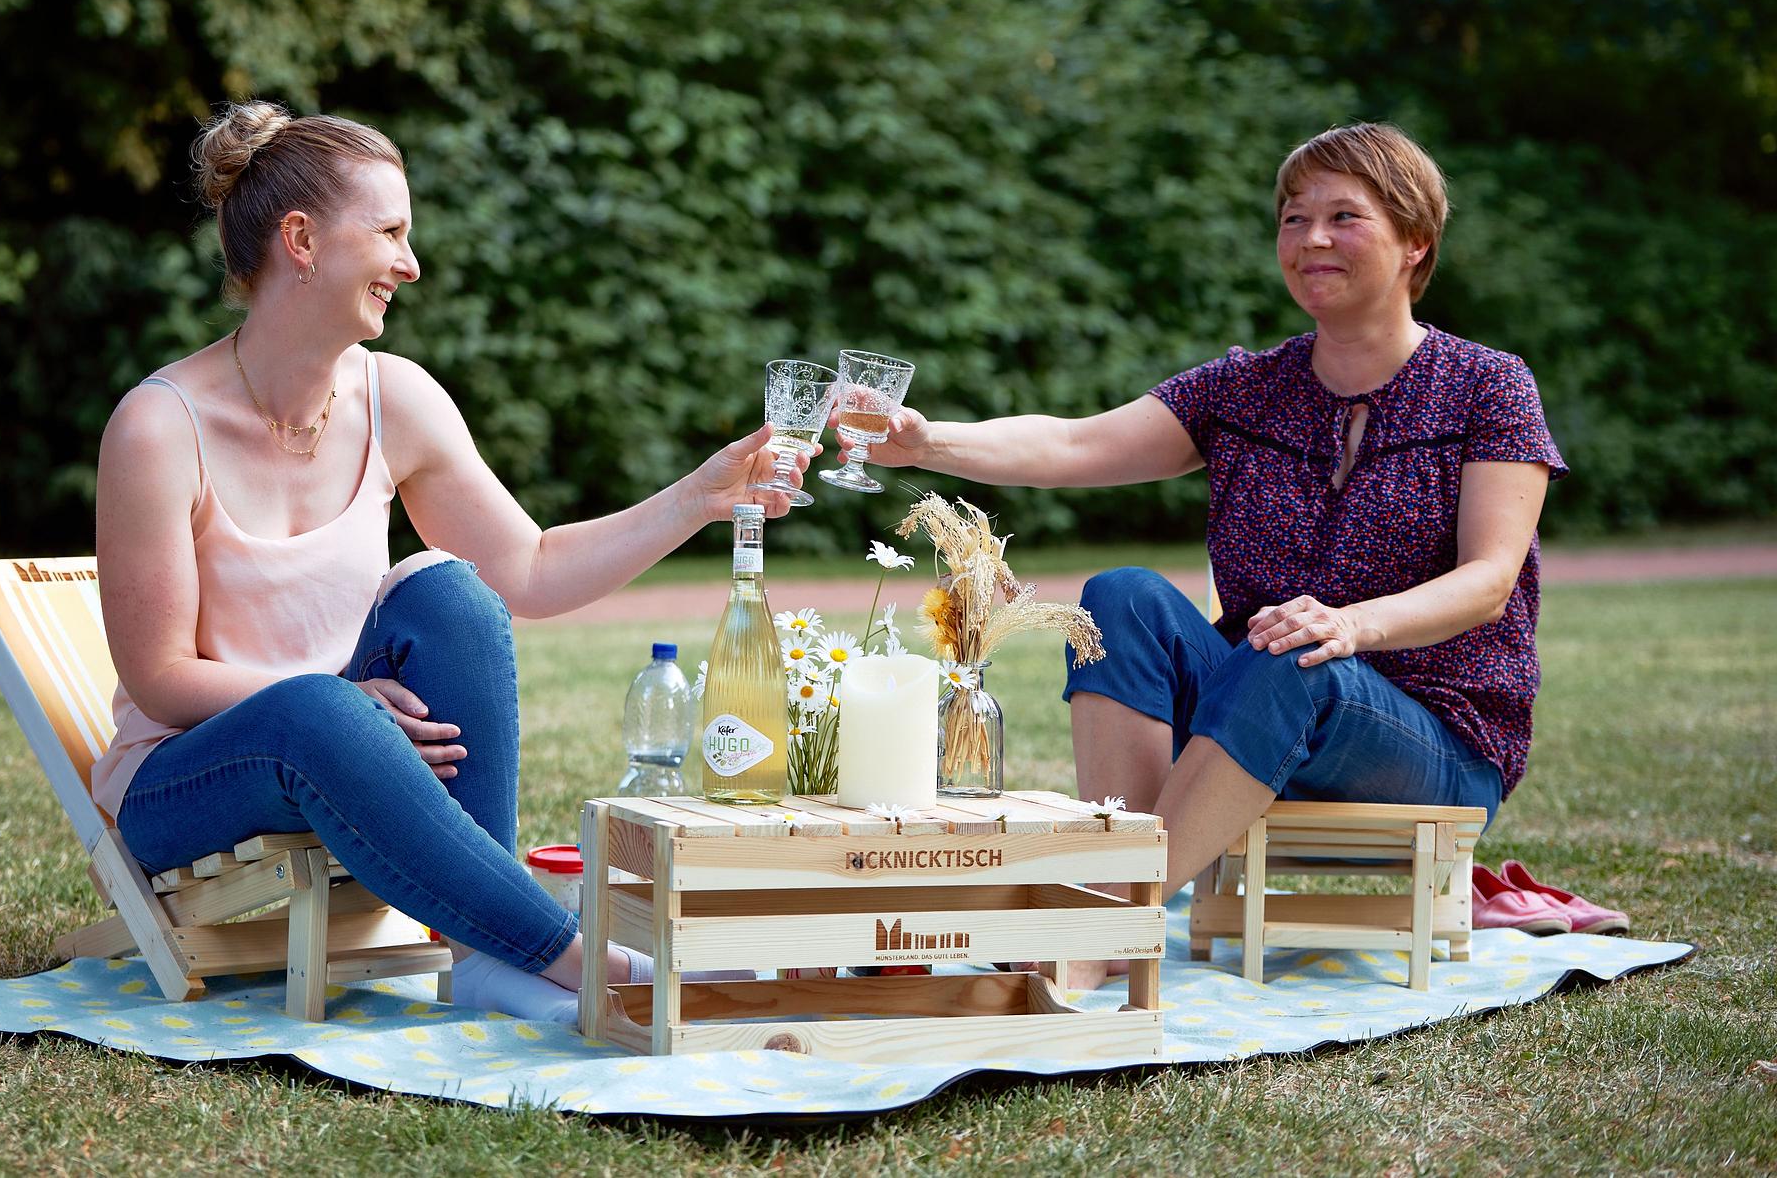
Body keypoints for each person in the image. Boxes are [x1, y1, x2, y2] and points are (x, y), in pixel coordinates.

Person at [90, 101, 801, 1019]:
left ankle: (484, 949)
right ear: (301, 241)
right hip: (188, 778)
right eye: (389, 232)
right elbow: (159, 678)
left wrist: (698, 499)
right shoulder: (157, 427)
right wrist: (340, 700)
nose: (410, 264)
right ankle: (586, 961)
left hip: (342, 729)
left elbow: (531, 568)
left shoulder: (399, 398)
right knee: (313, 704)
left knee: (453, 592)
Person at [846, 123, 1565, 984]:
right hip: (1255, 716)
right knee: (1120, 596)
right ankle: (1110, 900)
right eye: (1294, 220)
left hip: (1434, 745)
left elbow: (1489, 581)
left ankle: (1103, 931)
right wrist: (928, 443)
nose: (1312, 240)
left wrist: (1348, 627)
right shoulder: (1246, 387)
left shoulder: (1489, 385)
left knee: (1293, 648)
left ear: (1417, 242)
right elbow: (1077, 445)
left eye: (1345, 216)